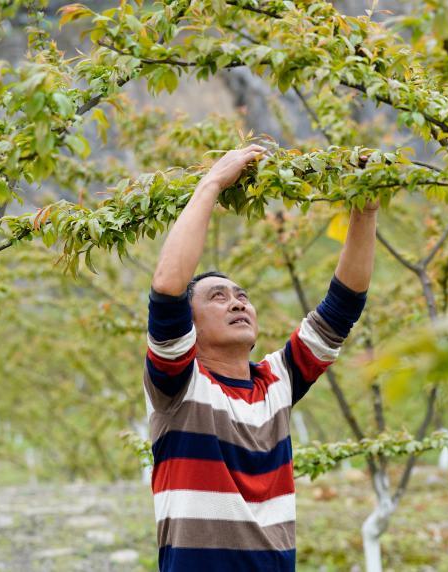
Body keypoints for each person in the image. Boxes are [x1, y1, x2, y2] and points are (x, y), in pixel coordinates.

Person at [144, 145, 377, 571]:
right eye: (218, 297)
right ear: (189, 325)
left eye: (242, 297)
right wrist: (212, 182)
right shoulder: (178, 386)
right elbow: (167, 286)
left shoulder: (277, 381)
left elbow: (343, 306)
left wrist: (364, 211)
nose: (237, 304)